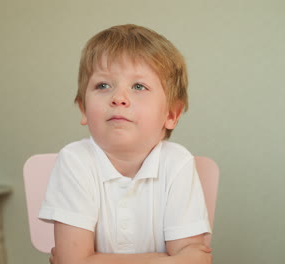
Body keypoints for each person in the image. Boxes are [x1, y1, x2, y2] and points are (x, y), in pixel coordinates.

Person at [39, 24, 212, 264]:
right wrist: (163, 260)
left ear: (171, 114)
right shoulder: (75, 160)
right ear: (84, 109)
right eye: (103, 85)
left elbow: (195, 260)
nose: (118, 98)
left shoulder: (178, 163)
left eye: (138, 86)